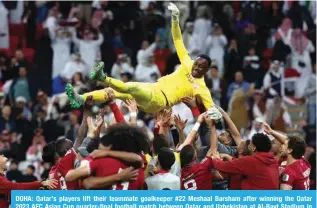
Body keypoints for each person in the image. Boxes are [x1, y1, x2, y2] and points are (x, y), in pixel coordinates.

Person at [65, 3, 221, 121]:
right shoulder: (188, 62)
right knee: (114, 94)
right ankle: (81, 98)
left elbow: (213, 110)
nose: (197, 67)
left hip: (160, 99)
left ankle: (103, 78)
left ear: (206, 71)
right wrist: (175, 19)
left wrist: (215, 114)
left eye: (201, 67)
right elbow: (178, 39)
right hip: (153, 89)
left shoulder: (202, 88)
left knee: (131, 86)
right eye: (197, 63)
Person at [212, 133, 279, 190]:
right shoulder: (273, 161)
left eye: (250, 143)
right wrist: (230, 158)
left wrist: (215, 158)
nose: (248, 144)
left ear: (253, 148)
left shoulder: (252, 161)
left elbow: (222, 166)